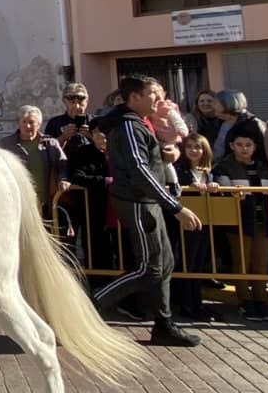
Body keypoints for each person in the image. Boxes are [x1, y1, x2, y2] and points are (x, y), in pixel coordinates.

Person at [92, 75, 203, 347]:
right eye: (153, 94)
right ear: (135, 97)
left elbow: (145, 162)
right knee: (148, 269)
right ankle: (85, 306)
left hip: (148, 202)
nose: (159, 99)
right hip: (138, 204)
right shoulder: (129, 126)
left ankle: (163, 325)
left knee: (164, 265)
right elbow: (139, 170)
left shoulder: (138, 123)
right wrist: (175, 207)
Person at [212, 133, 268, 321]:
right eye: (240, 144)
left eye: (248, 145)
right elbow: (224, 190)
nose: (244, 148)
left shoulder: (264, 167)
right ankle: (245, 301)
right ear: (232, 145)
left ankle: (261, 302)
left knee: (260, 264)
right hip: (240, 223)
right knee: (242, 263)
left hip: (264, 221)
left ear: (255, 147)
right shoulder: (225, 166)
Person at [174, 133, 218, 321]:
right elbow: (175, 190)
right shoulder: (180, 170)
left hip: (205, 222)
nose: (194, 150)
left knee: (199, 264)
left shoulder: (208, 172)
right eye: (190, 146)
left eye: (198, 147)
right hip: (187, 222)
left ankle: (197, 303)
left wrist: (215, 188)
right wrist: (190, 185)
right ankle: (186, 304)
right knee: (188, 263)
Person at [0, 105, 70, 219]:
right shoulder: (6, 144)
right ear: (19, 123)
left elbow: (62, 165)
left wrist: (63, 179)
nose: (27, 126)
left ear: (39, 124)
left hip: (46, 203)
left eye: (31, 122)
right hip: (19, 205)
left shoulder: (51, 143)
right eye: (24, 122)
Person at [66, 118, 114, 274]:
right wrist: (105, 181)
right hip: (94, 209)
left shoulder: (120, 151)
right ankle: (98, 287)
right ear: (92, 135)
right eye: (99, 135)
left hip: (118, 210)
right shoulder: (84, 153)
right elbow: (77, 176)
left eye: (107, 134)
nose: (104, 138)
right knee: (96, 251)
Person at [44, 82, 94, 156]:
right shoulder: (54, 123)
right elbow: (47, 151)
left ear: (87, 102)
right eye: (72, 102)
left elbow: (107, 148)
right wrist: (63, 137)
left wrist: (91, 136)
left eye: (80, 102)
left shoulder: (95, 122)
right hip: (66, 166)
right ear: (65, 102)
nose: (76, 106)